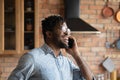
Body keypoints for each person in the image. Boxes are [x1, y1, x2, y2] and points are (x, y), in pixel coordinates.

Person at [8, 15, 96, 80]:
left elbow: (89, 78)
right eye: (63, 30)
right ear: (49, 34)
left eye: (67, 30)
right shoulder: (32, 58)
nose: (67, 34)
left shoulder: (67, 62)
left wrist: (76, 54)